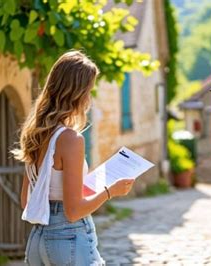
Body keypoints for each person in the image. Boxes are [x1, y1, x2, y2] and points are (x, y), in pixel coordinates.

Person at [12, 50, 135, 266]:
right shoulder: (70, 139)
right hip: (68, 239)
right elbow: (74, 211)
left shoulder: (35, 134)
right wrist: (110, 191)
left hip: (37, 240)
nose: (89, 98)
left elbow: (26, 202)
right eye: (88, 91)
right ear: (77, 93)